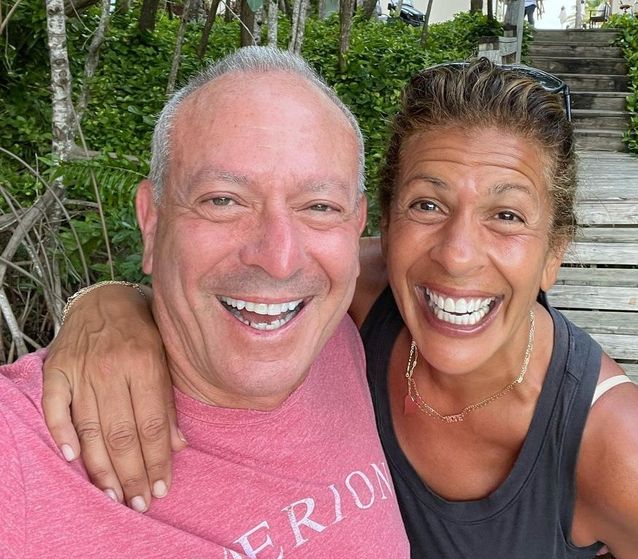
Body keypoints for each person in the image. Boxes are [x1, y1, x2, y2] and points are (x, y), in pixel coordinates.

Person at [39, 60, 638, 558]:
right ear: (384, 227)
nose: (457, 255)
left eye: (507, 215)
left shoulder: (626, 457)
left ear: (553, 254)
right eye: (427, 204)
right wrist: (107, 304)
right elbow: (257, 273)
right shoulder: (361, 294)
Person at [0, 46, 410, 558]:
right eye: (223, 200)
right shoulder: (20, 449)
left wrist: (103, 297)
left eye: (319, 206)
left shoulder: (342, 333)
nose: (279, 259)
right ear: (152, 222)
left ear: (355, 226)